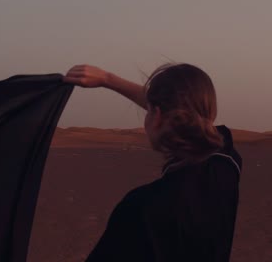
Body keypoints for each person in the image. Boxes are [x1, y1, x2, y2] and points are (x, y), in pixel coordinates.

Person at [63, 63, 242, 262]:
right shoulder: (225, 166)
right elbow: (189, 117)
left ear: (156, 117)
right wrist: (107, 79)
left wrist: (108, 79)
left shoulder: (141, 208)